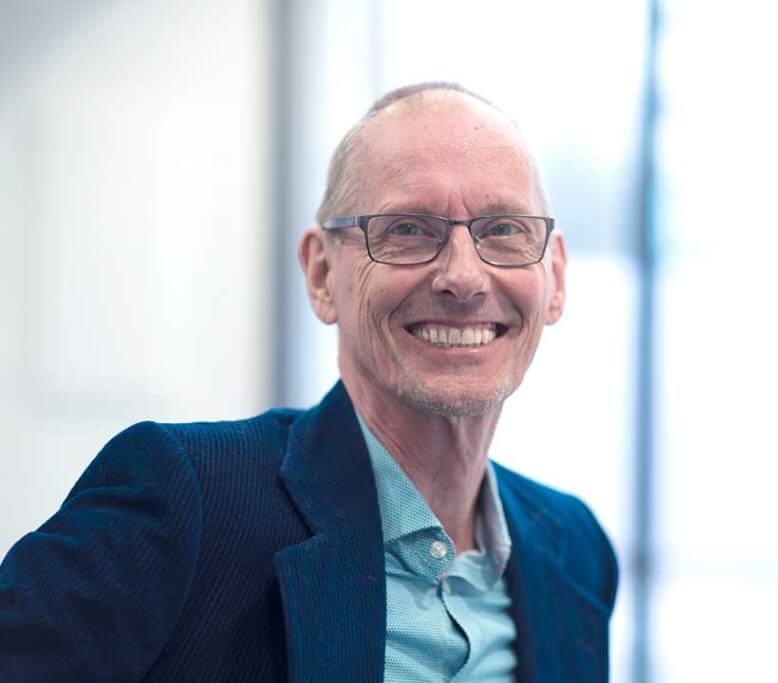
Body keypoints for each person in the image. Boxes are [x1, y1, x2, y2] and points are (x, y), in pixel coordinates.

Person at [0, 82, 618, 682]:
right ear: (322, 274)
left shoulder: (573, 549)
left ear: (555, 279)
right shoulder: (187, 498)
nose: (464, 277)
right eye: (407, 229)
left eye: (504, 230)